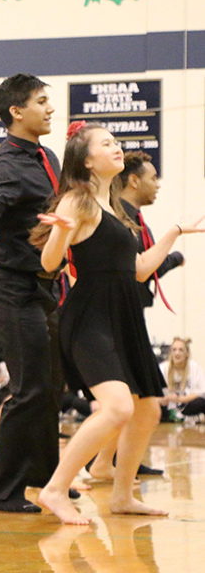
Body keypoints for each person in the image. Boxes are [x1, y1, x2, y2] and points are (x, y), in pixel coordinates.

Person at [31, 121, 204, 524]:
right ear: (87, 159)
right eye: (106, 144)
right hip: (90, 317)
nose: (117, 149)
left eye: (116, 143)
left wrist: (175, 232)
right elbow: (49, 263)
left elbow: (139, 270)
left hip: (124, 316)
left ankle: (122, 495)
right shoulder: (78, 201)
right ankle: (54, 489)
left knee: (148, 411)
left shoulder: (119, 208)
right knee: (116, 408)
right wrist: (61, 234)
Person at [0, 73, 64, 513]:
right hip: (14, 288)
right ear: (16, 111)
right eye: (41, 101)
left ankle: (47, 481)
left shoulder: (46, 155)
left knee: (50, 388)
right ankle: (2, 493)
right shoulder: (6, 165)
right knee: (28, 389)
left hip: (46, 287)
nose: (50, 108)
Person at [119, 151, 184, 309]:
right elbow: (140, 269)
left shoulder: (137, 220)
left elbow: (152, 265)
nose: (158, 184)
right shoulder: (117, 219)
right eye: (153, 178)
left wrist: (177, 257)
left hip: (132, 309)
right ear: (134, 181)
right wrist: (176, 237)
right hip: (117, 311)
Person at [159, 337, 205, 421]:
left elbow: (200, 392)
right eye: (174, 350)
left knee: (201, 402)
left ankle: (178, 417)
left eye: (181, 350)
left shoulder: (194, 367)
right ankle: (185, 418)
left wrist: (180, 399)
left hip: (186, 405)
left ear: (187, 353)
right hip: (168, 406)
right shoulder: (163, 368)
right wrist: (166, 399)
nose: (177, 353)